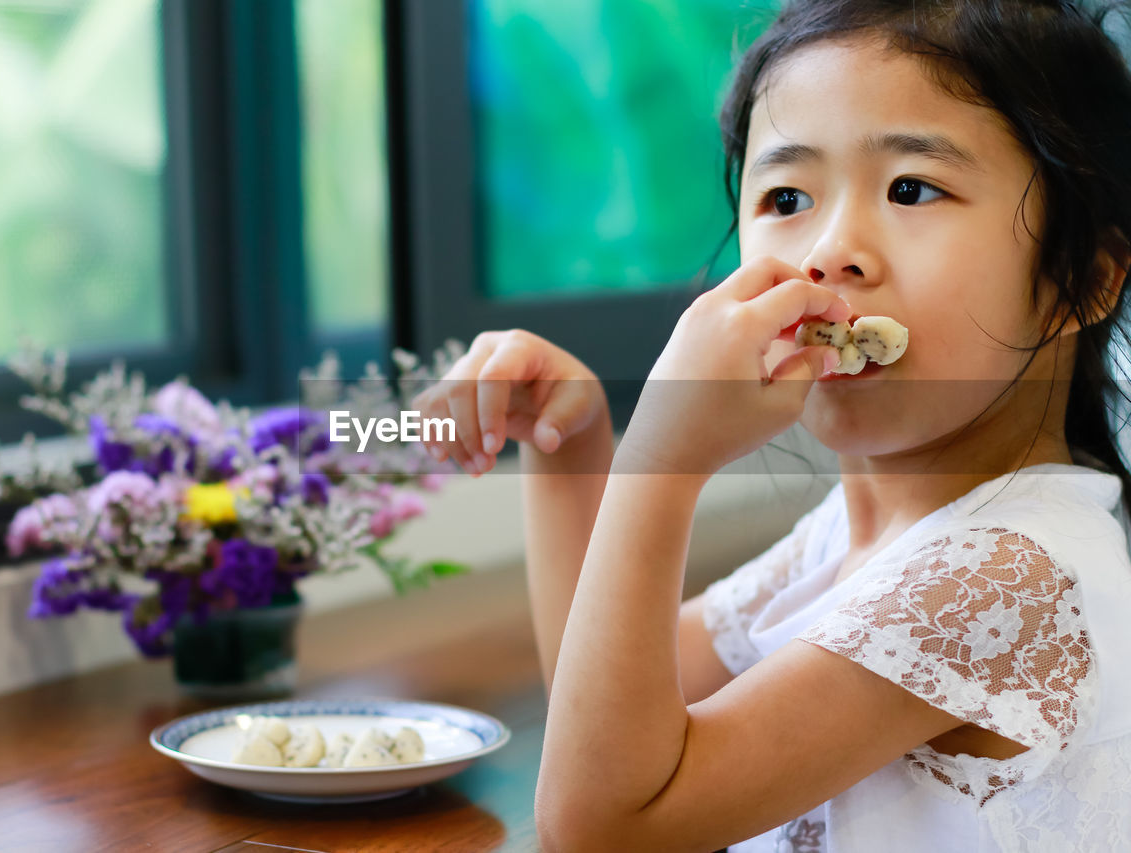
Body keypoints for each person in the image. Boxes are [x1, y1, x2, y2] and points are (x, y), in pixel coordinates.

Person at [411, 0, 1131, 849]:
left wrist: (664, 459)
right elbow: (618, 700)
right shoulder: (857, 535)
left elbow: (604, 821)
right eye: (788, 195)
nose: (829, 251)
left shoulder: (1007, 572)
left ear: (1080, 281)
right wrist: (573, 449)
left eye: (912, 187)